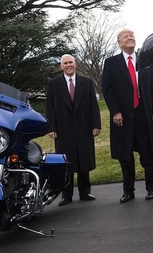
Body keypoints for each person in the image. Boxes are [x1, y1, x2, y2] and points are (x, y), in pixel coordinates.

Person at [101, 28, 153, 203]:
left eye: (132, 36)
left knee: (147, 154)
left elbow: (152, 87)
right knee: (125, 156)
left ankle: (152, 189)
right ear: (119, 43)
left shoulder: (145, 62)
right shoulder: (111, 63)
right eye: (126, 37)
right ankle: (128, 191)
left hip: (143, 113)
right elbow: (107, 89)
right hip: (122, 117)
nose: (130, 38)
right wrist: (115, 111)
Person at [46, 54, 101, 206]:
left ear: (75, 64)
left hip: (84, 127)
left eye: (71, 62)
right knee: (66, 162)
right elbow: (50, 107)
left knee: (84, 159)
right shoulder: (53, 84)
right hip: (63, 129)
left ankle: (85, 192)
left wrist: (96, 125)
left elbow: (93, 106)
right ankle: (66, 195)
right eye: (65, 63)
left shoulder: (87, 83)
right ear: (61, 66)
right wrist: (51, 128)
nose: (68, 65)